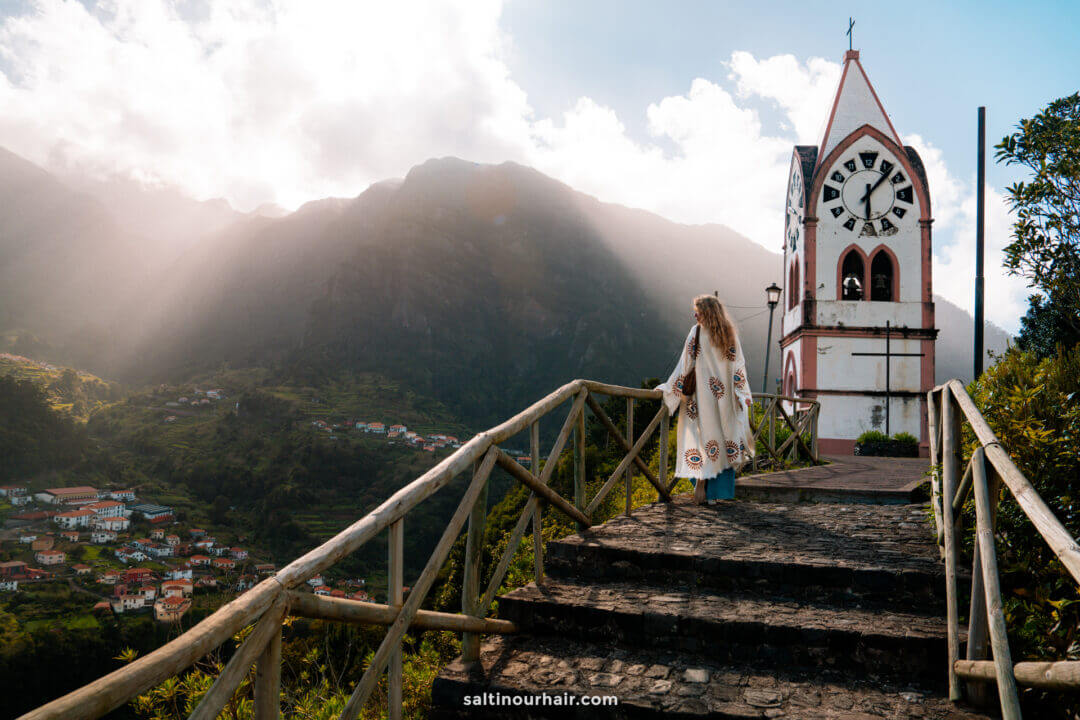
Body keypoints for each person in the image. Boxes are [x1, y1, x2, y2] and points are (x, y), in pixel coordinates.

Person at [657, 295, 755, 505]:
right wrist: (742, 394)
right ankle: (714, 493)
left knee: (700, 441)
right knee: (721, 442)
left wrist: (669, 388)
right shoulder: (730, 334)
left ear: (706, 313)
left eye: (697, 311)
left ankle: (702, 485)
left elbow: (686, 365)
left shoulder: (697, 332)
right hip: (724, 398)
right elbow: (738, 367)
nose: (694, 315)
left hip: (700, 399)